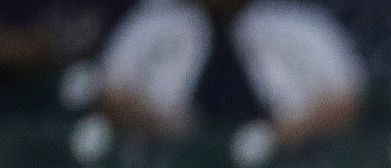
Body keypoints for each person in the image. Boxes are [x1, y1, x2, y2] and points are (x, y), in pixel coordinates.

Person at [98, 0, 364, 143]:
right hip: (170, 155)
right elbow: (112, 97)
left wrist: (295, 131)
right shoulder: (155, 19)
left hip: (287, 157)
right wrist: (160, 125)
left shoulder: (296, 21)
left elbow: (345, 102)